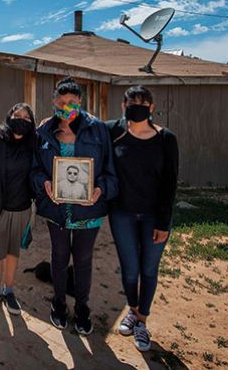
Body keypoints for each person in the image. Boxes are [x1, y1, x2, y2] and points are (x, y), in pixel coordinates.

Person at [32, 77, 118, 335]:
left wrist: (100, 189)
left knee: (83, 260)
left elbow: (111, 172)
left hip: (87, 211)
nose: (66, 107)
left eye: (71, 102)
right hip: (57, 211)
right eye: (61, 103)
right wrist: (44, 183)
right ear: (53, 102)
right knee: (58, 258)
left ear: (80, 102)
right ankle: (58, 303)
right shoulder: (43, 132)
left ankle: (82, 307)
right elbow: (34, 170)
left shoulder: (98, 130)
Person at [106, 85, 179, 352]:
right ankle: (133, 311)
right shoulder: (113, 131)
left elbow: (170, 183)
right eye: (131, 103)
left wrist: (163, 222)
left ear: (151, 108)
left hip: (153, 216)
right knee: (129, 270)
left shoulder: (165, 138)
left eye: (143, 103)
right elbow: (83, 125)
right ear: (123, 106)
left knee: (148, 270)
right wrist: (50, 120)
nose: (137, 107)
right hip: (122, 213)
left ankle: (142, 321)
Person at [0, 103, 36, 316]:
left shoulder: (33, 144)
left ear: (32, 123)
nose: (20, 119)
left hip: (21, 209)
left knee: (13, 252)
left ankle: (9, 291)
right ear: (9, 116)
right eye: (16, 115)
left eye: (26, 117)